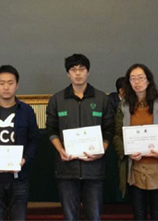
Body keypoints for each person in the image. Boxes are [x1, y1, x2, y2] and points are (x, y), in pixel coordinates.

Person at [45, 53, 115, 221]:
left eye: (82, 69)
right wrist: (60, 150)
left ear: (88, 72)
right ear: (67, 73)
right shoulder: (57, 99)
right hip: (66, 169)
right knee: (70, 217)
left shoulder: (101, 99)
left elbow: (109, 129)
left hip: (94, 169)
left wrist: (102, 150)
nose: (78, 73)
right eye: (73, 69)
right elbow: (51, 129)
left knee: (94, 216)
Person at [112, 64, 158, 221]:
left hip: (157, 169)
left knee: (157, 214)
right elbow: (117, 136)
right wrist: (127, 152)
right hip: (134, 169)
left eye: (140, 78)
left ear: (148, 81)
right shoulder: (124, 106)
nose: (137, 82)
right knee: (139, 214)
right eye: (133, 79)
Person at [0, 65, 40, 220]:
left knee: (18, 217)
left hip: (19, 177)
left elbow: (34, 139)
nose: (6, 87)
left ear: (17, 85)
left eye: (10, 83)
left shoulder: (27, 111)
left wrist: (25, 159)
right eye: (2, 83)